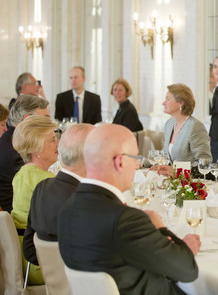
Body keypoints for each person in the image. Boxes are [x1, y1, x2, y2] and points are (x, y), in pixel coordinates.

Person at [58, 124, 200, 293]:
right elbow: (187, 271)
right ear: (120, 161)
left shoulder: (67, 208)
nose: (137, 166)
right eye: (135, 158)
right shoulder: (125, 220)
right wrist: (162, 229)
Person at [22, 123, 94, 266]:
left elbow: (30, 250)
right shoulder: (90, 201)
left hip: (51, 279)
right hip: (83, 284)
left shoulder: (42, 188)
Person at [11, 115, 59, 285]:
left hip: (22, 260)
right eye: (52, 140)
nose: (58, 144)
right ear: (36, 149)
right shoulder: (45, 180)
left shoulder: (21, 175)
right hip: (41, 262)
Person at [0, 95, 50, 213]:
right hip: (16, 220)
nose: (49, 124)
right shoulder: (19, 149)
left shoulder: (7, 139)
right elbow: (35, 190)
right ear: (27, 119)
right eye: (45, 119)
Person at [162, 84, 211, 176]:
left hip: (190, 183)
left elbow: (204, 162)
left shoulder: (195, 126)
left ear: (181, 103)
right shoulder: (169, 124)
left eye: (168, 99)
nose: (163, 103)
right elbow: (166, 157)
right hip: (171, 181)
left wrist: (178, 171)